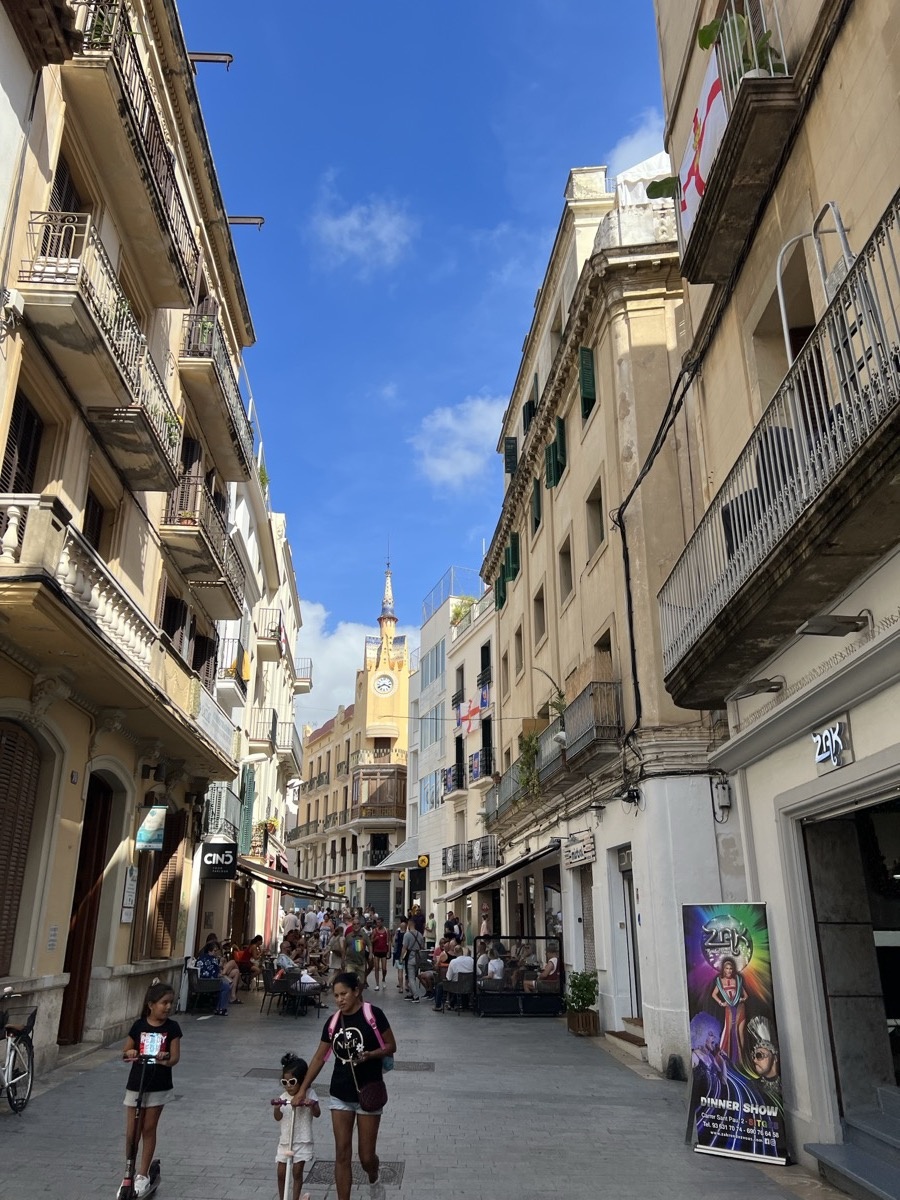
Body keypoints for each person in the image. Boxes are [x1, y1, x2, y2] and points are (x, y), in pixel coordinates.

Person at [294, 973, 397, 1200]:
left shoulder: (373, 1015)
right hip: (340, 1092)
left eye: (344, 994)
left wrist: (370, 1054)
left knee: (366, 1156)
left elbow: (391, 1046)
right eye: (336, 996)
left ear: (356, 991)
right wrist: (302, 1089)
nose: (340, 1000)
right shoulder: (332, 1023)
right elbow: (320, 1058)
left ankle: (373, 1177)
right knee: (342, 1153)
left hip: (369, 1091)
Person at [121, 983, 182, 1198]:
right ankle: (128, 1173)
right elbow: (126, 1051)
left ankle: (142, 1174)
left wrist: (164, 1058)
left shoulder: (172, 1028)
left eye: (170, 1003)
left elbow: (175, 1058)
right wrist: (131, 1052)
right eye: (163, 1003)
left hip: (159, 1084)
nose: (167, 1007)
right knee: (132, 1131)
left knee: (148, 1128)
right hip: (137, 1083)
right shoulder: (138, 1026)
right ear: (150, 1005)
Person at [273, 1051, 320, 1200]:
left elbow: (317, 1113)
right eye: (285, 1083)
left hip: (302, 1139)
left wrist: (311, 1104)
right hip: (286, 1140)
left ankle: (295, 1197)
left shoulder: (309, 1093)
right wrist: (276, 1108)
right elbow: (277, 1117)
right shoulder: (283, 1097)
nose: (288, 1086)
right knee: (281, 1172)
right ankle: (282, 1197)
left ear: (301, 1080)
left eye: (292, 1082)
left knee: (297, 1171)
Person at [712, 957, 747, 1064]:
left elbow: (746, 995)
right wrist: (721, 1003)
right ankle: (727, 1059)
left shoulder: (737, 980)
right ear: (723, 969)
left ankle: (742, 1060)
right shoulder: (720, 981)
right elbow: (713, 994)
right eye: (727, 968)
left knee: (739, 1032)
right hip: (729, 1008)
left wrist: (741, 999)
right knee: (729, 1031)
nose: (729, 970)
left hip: (739, 1008)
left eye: (731, 968)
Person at [195, 941, 231, 1015]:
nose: (216, 952)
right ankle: (221, 1008)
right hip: (211, 983)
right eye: (215, 951)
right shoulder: (214, 960)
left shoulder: (200, 958)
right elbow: (216, 973)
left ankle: (218, 1007)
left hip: (200, 983)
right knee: (226, 986)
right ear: (209, 950)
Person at [343, 917, 373, 988]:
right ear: (352, 925)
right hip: (350, 962)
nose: (356, 925)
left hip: (361, 963)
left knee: (361, 984)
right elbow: (344, 948)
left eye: (357, 924)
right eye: (354, 924)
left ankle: (358, 996)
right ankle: (352, 995)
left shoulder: (364, 935)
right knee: (351, 981)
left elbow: (369, 944)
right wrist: (343, 960)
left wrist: (371, 954)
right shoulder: (348, 936)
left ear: (360, 925)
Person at [402, 919, 425, 1003]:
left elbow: (404, 947)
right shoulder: (420, 934)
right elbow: (422, 946)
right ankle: (411, 994)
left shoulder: (407, 935)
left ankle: (415, 996)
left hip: (410, 957)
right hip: (418, 958)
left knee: (410, 977)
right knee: (413, 976)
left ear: (409, 924)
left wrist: (401, 957)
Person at [370, 918, 390, 991]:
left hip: (384, 950)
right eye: (377, 923)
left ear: (382, 922)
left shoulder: (386, 930)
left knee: (384, 969)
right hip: (376, 951)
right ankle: (377, 984)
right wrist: (375, 939)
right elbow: (371, 941)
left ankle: (383, 979)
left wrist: (389, 951)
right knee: (377, 968)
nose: (378, 924)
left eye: (379, 923)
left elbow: (389, 941)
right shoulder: (374, 931)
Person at [392, 920, 407, 991]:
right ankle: (407, 985)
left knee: (400, 971)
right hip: (407, 955)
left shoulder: (397, 934)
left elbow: (393, 944)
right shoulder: (407, 934)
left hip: (398, 954)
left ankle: (401, 987)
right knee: (407, 972)